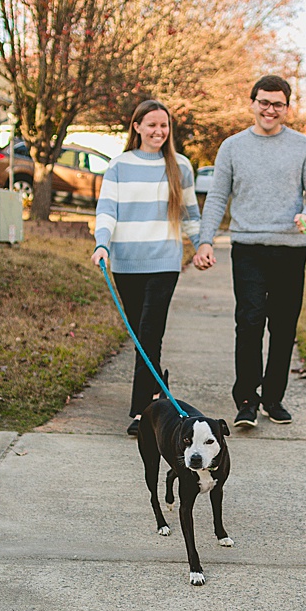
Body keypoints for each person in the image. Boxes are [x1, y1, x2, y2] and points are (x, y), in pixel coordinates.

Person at [191, 75, 306, 427]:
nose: (270, 109)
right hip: (247, 247)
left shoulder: (303, 146)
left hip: (290, 248)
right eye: (263, 102)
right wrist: (205, 240)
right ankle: (247, 400)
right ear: (252, 103)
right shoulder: (232, 147)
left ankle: (274, 397)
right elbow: (218, 197)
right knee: (249, 322)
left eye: (277, 104)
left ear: (287, 108)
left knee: (283, 327)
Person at [92, 100, 200, 436]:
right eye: (151, 125)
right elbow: (107, 209)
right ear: (136, 126)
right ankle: (157, 388)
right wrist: (102, 244)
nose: (158, 131)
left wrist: (201, 246)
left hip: (165, 261)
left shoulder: (179, 166)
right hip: (126, 262)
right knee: (142, 335)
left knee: (150, 332)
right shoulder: (119, 166)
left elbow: (191, 215)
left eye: (164, 126)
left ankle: (142, 411)